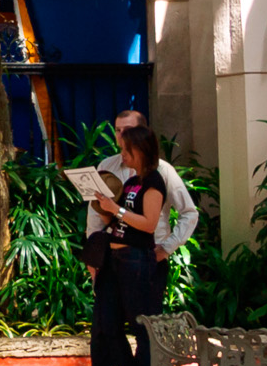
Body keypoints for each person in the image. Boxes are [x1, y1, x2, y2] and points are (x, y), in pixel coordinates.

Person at [74, 122, 167, 366]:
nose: (122, 156)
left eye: (127, 151)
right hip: (114, 259)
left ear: (141, 150)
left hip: (137, 259)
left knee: (141, 328)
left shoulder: (154, 182)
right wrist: (104, 207)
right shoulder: (130, 183)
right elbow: (117, 221)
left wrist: (117, 210)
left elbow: (149, 224)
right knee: (108, 325)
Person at [83, 108, 197, 263]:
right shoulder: (107, 166)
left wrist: (166, 248)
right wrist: (94, 253)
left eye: (128, 130)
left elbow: (189, 212)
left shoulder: (161, 171)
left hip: (149, 253)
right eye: (118, 130)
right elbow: (96, 213)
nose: (121, 135)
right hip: (116, 253)